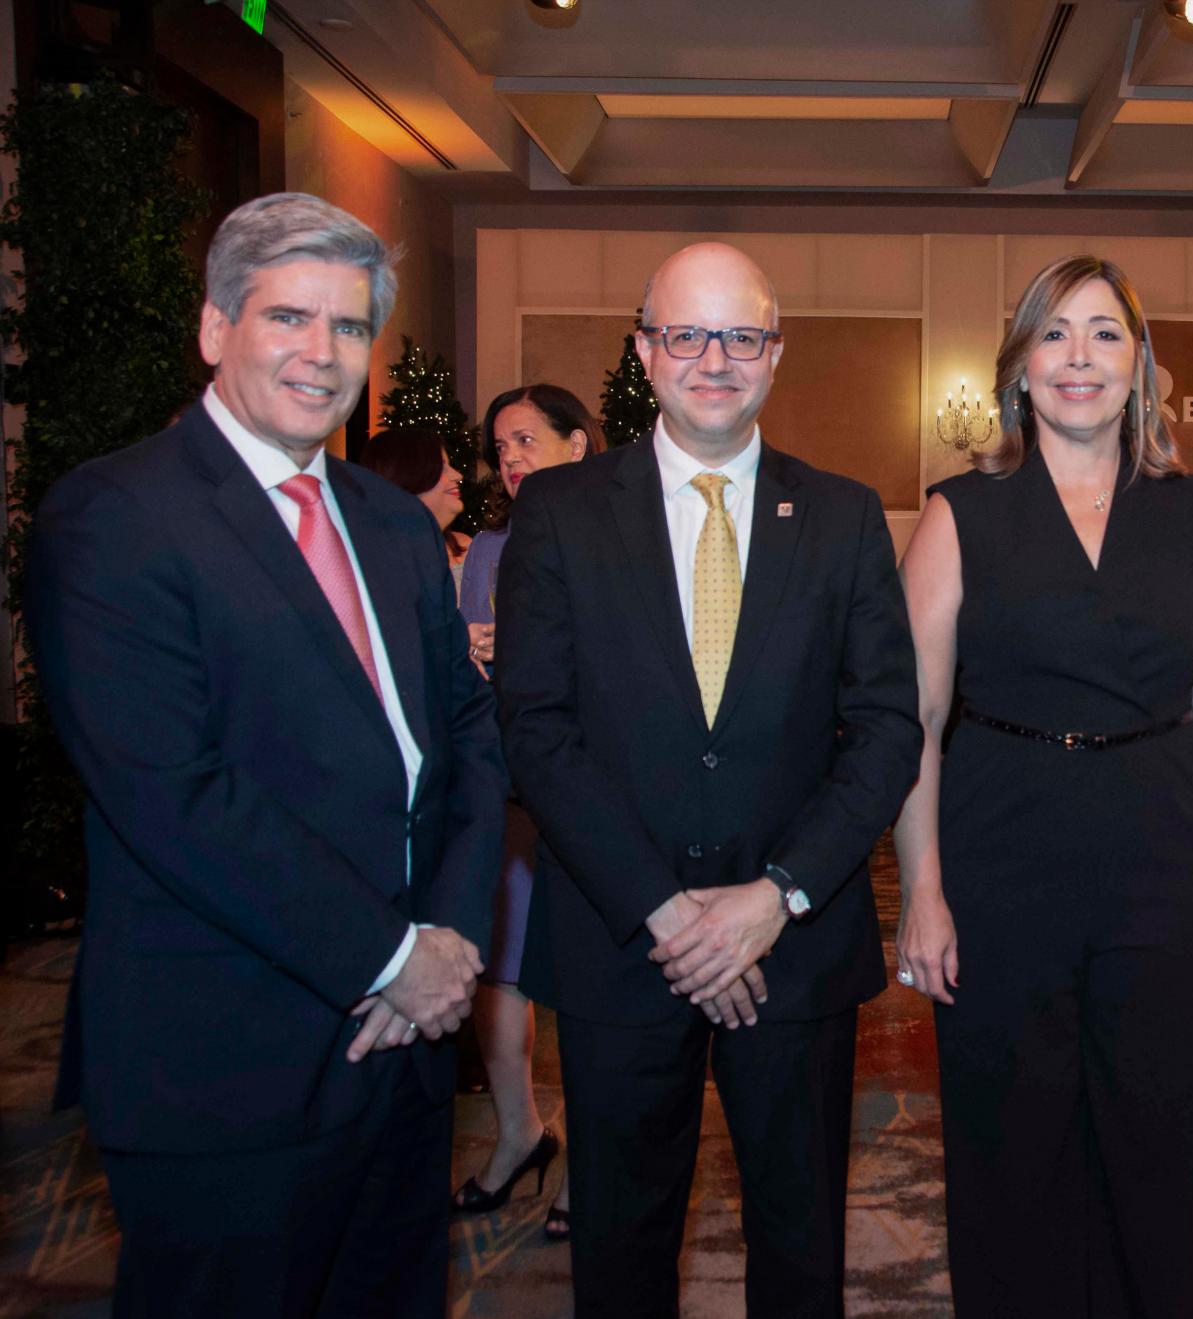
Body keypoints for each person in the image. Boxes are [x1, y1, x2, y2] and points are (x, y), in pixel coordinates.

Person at [24, 192, 504, 1319]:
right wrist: (392, 956)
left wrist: (453, 933)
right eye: (288, 317)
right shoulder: (112, 516)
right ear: (213, 328)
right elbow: (173, 795)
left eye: (346, 328)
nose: (320, 352)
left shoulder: (390, 526)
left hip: (407, 1051)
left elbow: (468, 737)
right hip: (227, 1065)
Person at [494, 241, 921, 1318]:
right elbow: (536, 730)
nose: (714, 359)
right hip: (618, 944)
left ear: (775, 355)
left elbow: (883, 728)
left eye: (740, 335)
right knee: (620, 1243)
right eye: (687, 333)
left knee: (801, 1241)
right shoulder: (557, 511)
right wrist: (669, 914)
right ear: (645, 352)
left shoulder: (842, 515)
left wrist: (774, 895)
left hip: (795, 944)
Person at [893, 254, 1193, 1316]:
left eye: (1105, 334)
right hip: (999, 845)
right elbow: (913, 720)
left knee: (1156, 1130)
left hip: (1165, 850)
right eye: (1054, 334)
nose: (1079, 358)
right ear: (1017, 366)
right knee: (1008, 1133)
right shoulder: (958, 512)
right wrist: (921, 888)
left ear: (1140, 366)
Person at [449, 383, 604, 1239]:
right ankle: (518, 1133)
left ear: (578, 446)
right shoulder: (486, 552)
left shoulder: (623, 540)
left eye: (525, 440)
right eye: (499, 446)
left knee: (584, 982)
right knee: (497, 972)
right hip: (505, 791)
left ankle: (591, 1159)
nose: (508, 458)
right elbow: (473, 684)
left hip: (589, 799)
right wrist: (465, 656)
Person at [356, 425, 467, 584]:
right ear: (409, 475)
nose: (458, 475)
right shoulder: (373, 567)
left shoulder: (471, 550)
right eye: (442, 467)